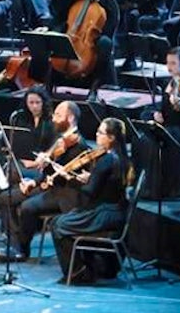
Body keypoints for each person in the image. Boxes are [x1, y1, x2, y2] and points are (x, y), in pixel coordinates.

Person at [0, 100, 91, 263]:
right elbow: (48, 172)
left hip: (64, 193)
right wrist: (33, 182)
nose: (53, 118)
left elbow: (68, 177)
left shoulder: (79, 145)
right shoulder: (62, 140)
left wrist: (51, 166)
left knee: (27, 207)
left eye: (59, 115)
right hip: (49, 186)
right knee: (6, 197)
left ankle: (22, 249)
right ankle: (14, 243)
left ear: (71, 118)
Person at [50, 117, 130, 285]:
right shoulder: (121, 157)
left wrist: (69, 178)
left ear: (111, 138)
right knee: (59, 221)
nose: (97, 135)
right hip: (116, 211)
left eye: (100, 133)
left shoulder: (107, 160)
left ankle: (78, 272)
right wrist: (90, 177)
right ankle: (85, 267)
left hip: (104, 213)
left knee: (58, 224)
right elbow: (105, 184)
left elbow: (90, 192)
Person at [133, 47, 180, 199]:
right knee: (140, 138)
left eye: (174, 63)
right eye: (168, 63)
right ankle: (146, 185)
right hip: (172, 126)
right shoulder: (170, 83)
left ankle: (164, 190)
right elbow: (159, 107)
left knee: (163, 138)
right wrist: (154, 114)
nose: (169, 67)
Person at [48, 0, 118, 91]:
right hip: (73, 32)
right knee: (54, 40)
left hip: (94, 34)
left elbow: (112, 12)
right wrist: (49, 28)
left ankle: (99, 83)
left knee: (105, 43)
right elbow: (61, 15)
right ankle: (51, 87)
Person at [6, 85, 56, 181]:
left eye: (38, 102)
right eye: (31, 103)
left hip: (41, 162)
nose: (34, 106)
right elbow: (16, 144)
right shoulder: (20, 118)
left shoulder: (51, 120)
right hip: (23, 160)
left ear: (43, 102)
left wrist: (44, 156)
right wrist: (22, 160)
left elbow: (55, 142)